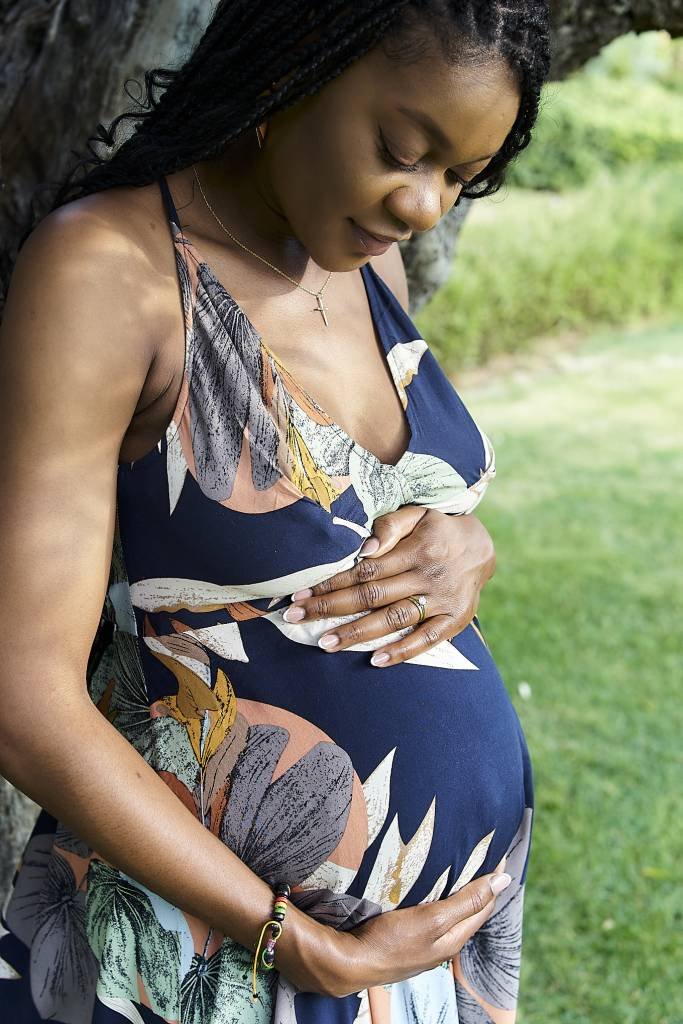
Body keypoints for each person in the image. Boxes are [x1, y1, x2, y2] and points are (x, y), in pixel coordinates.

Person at [0, 1, 551, 1021]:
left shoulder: (361, 258)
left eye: (459, 178)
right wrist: (288, 940)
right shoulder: (111, 275)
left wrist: (466, 543)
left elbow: (353, 515)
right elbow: (20, 694)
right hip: (207, 955)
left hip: (415, 959)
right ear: (296, 66)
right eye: (401, 148)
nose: (424, 204)